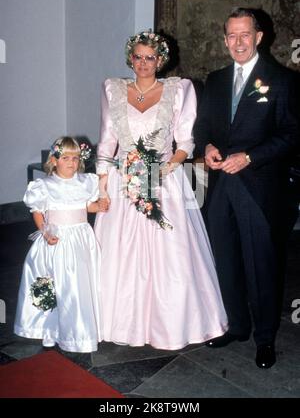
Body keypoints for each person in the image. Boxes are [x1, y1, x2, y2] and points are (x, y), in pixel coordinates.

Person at [94, 30, 228, 350]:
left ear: (161, 60)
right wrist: (102, 187)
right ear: (131, 58)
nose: (143, 63)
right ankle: (120, 323)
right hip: (123, 181)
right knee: (120, 257)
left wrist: (167, 167)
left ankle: (172, 324)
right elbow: (107, 142)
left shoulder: (179, 89)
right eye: (138, 57)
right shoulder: (112, 89)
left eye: (150, 57)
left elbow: (185, 142)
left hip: (165, 180)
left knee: (172, 257)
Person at [194, 8, 298, 368]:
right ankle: (236, 325)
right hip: (222, 186)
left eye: (245, 35)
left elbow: (292, 135)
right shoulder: (216, 79)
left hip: (260, 189)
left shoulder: (282, 80)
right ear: (225, 40)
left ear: (258, 37)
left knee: (262, 266)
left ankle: (265, 339)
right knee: (224, 259)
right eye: (231, 36)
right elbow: (202, 126)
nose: (238, 42)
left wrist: (251, 157)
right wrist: (205, 146)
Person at [14, 136, 105, 353]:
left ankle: (80, 332)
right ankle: (51, 329)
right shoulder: (44, 185)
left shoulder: (86, 181)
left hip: (81, 238)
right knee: (59, 285)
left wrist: (99, 206)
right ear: (54, 160)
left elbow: (87, 206)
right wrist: (45, 231)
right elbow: (37, 211)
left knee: (79, 284)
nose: (71, 163)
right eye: (65, 158)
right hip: (57, 239)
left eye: (75, 158)